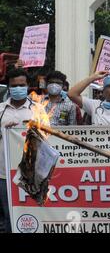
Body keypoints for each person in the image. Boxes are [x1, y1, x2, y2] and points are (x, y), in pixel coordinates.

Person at [0, 69, 47, 233]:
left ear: (28, 86)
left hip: (32, 174)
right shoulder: (0, 109)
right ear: (8, 87)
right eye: (14, 85)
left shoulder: (38, 109)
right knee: (8, 217)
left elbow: (47, 138)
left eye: (21, 85)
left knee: (33, 215)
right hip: (4, 174)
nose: (18, 88)